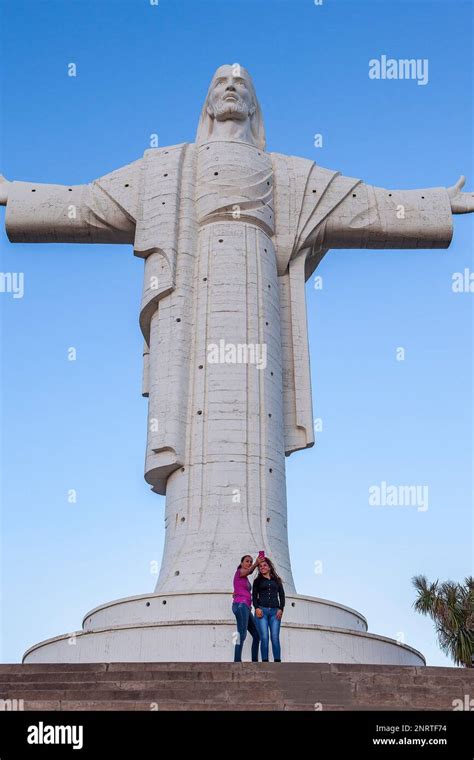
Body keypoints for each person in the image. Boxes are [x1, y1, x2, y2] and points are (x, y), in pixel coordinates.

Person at [252, 557, 285, 662]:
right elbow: (254, 596)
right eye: (260, 566)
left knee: (275, 637)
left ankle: (277, 662)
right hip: (262, 611)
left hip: (275, 612)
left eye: (265, 565)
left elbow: (282, 595)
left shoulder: (277, 580)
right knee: (264, 637)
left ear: (269, 567)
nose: (262, 567)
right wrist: (256, 608)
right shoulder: (257, 581)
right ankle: (265, 662)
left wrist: (281, 609)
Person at [232, 555, 262, 662]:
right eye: (247, 561)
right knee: (241, 634)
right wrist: (256, 564)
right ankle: (237, 661)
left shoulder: (244, 578)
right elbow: (249, 571)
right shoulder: (239, 572)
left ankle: (254, 661)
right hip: (240, 605)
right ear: (241, 563)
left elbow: (238, 588)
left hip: (246, 607)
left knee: (257, 635)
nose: (249, 563)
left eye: (251, 561)